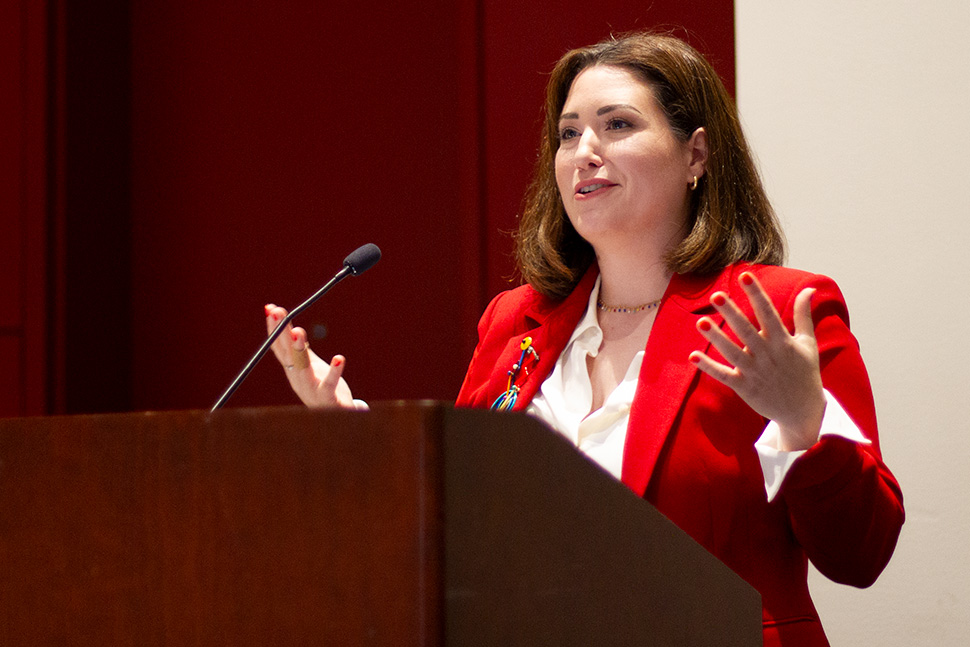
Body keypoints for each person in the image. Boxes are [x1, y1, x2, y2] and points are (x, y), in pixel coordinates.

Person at [264, 32, 904, 647]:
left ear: (696, 155)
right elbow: (459, 527)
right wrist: (364, 442)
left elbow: (861, 554)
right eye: (568, 134)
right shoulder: (514, 322)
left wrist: (804, 421)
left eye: (618, 125)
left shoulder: (778, 311)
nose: (583, 151)